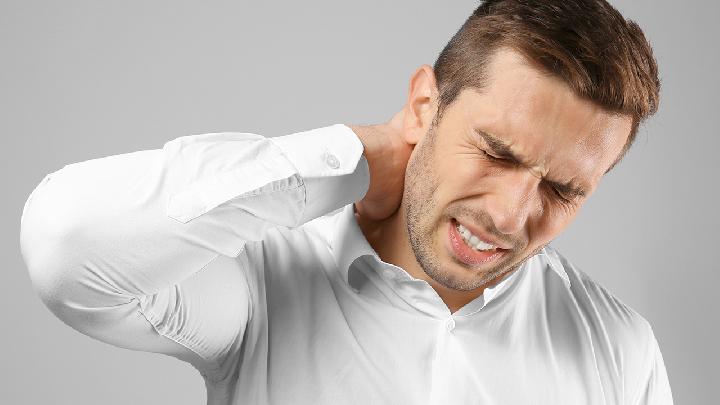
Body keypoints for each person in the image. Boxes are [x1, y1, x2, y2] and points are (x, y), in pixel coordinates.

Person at [19, 0, 673, 404]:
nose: (507, 214)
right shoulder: (263, 280)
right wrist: (358, 158)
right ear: (425, 105)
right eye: (495, 152)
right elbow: (66, 243)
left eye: (562, 190)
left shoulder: (619, 349)